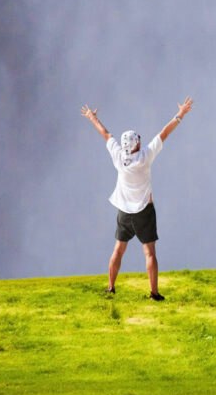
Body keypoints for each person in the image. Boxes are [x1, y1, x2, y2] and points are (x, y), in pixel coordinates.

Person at [81, 98, 193, 299]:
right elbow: (164, 133)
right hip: (144, 211)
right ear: (136, 144)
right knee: (150, 253)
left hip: (124, 212)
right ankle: (154, 293)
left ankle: (110, 288)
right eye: (139, 140)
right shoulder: (145, 157)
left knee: (118, 250)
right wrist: (181, 114)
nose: (141, 142)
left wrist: (92, 117)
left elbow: (105, 134)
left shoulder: (118, 157)